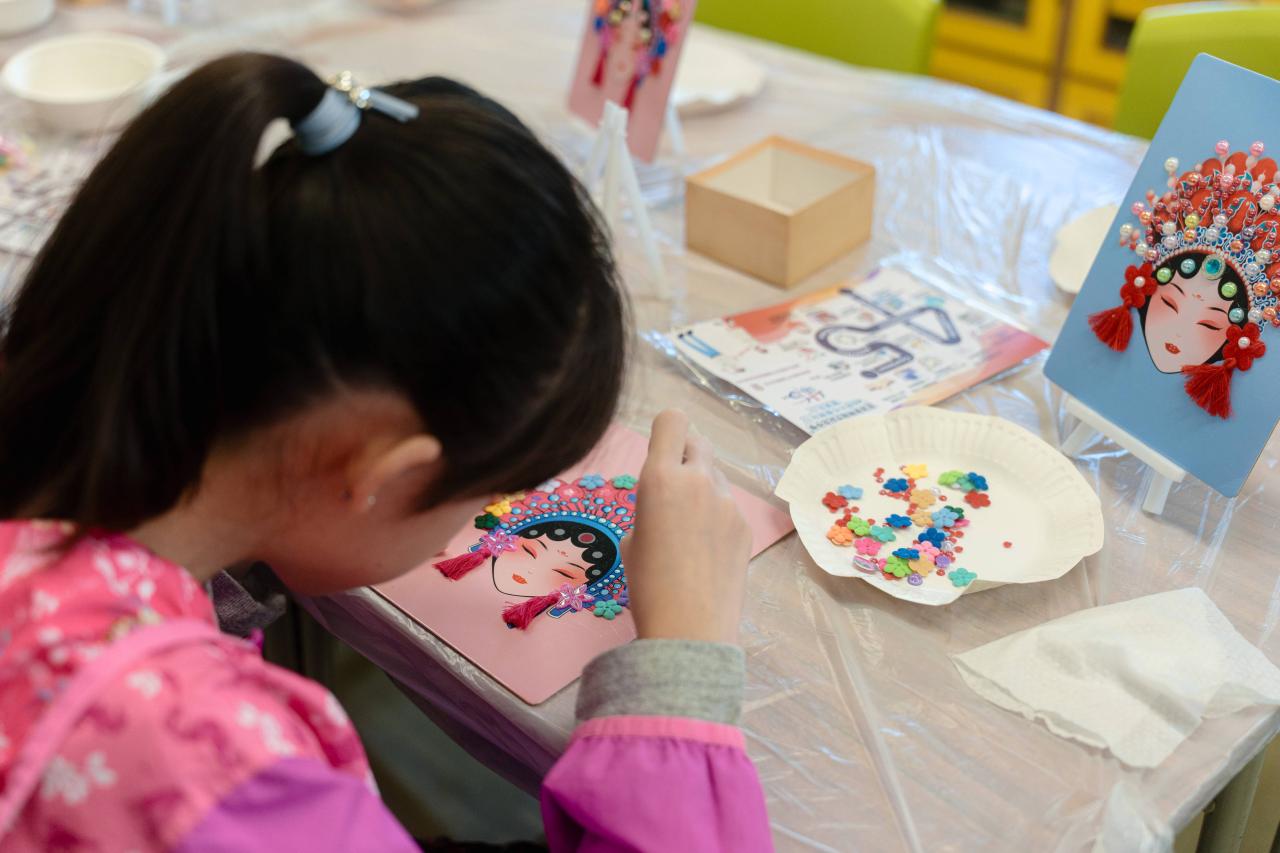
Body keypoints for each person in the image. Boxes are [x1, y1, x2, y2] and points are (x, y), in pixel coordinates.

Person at [0, 53, 770, 851]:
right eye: (486, 496)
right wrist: (684, 659)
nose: (482, 521)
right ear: (386, 474)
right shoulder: (213, 771)